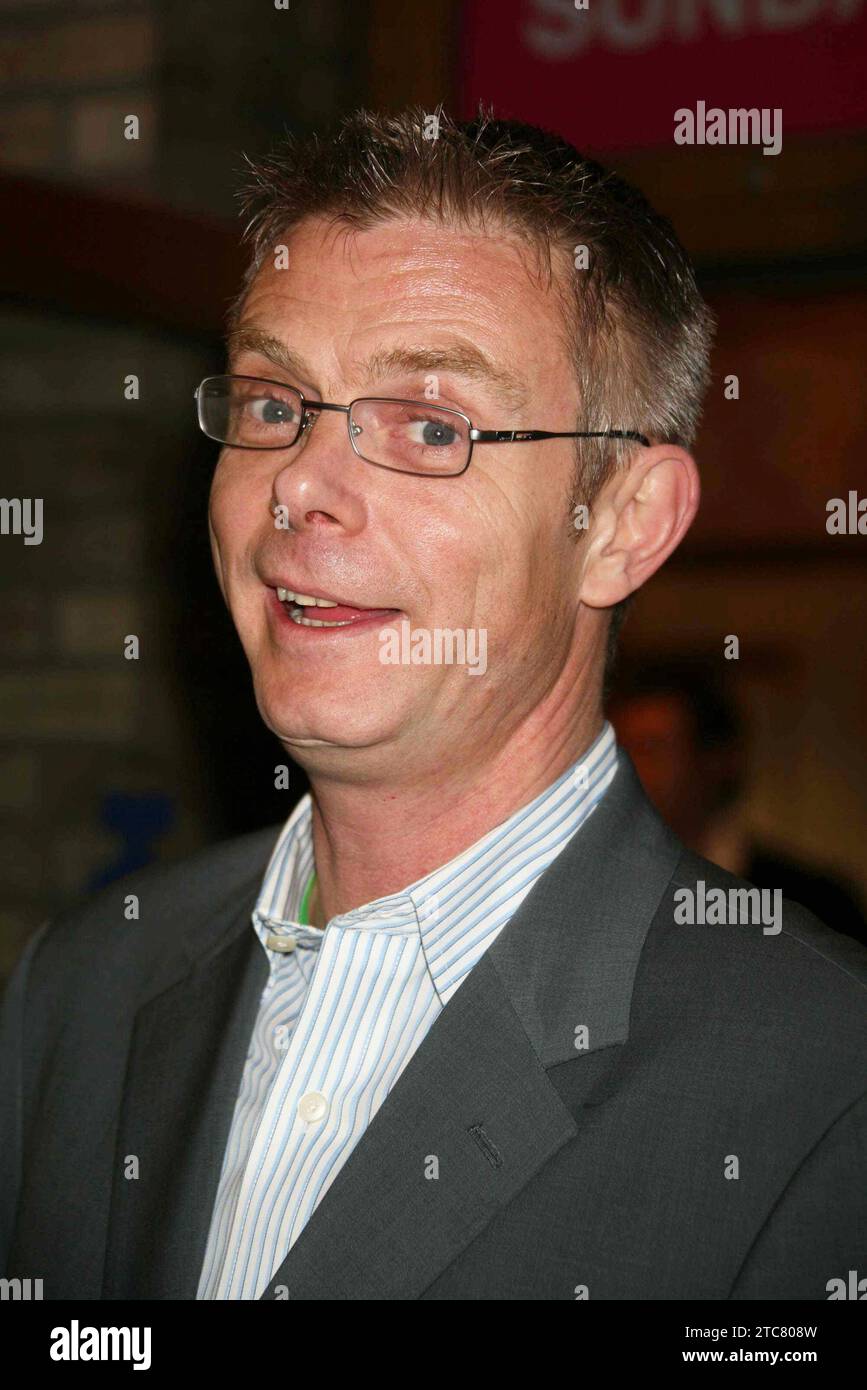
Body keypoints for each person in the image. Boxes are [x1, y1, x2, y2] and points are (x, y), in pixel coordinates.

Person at [2, 107, 864, 1301]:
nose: (301, 484)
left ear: (622, 525)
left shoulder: (822, 1084)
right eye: (270, 404)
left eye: (427, 425)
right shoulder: (82, 987)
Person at [610, 659, 867, 949]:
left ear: (715, 761)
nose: (627, 767)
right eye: (620, 749)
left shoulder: (813, 904)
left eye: (651, 749)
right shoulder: (602, 894)